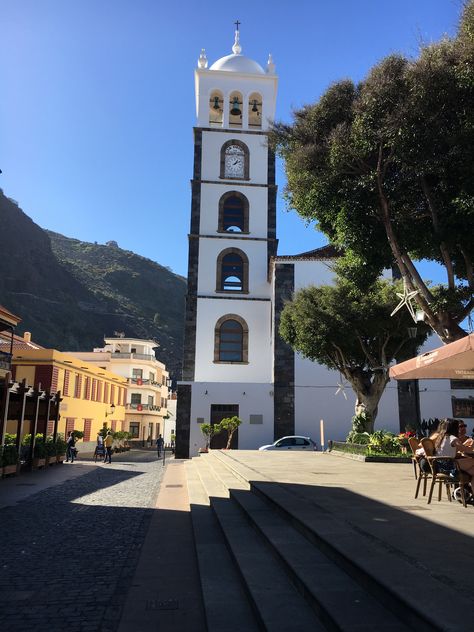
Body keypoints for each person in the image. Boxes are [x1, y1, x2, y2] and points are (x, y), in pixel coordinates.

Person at [435, 418, 474, 489]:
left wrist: (465, 445)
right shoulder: (453, 439)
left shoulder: (442, 438)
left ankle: (466, 493)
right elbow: (467, 450)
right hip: (450, 466)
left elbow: (455, 451)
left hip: (441, 466)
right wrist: (472, 444)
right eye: (458, 427)